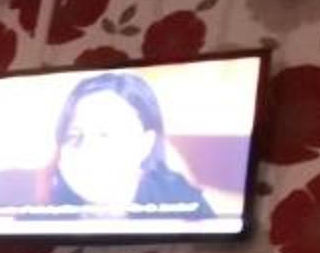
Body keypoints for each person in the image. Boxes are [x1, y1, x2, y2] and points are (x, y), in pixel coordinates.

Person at [40, 71, 214, 219]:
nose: (88, 149)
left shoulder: (180, 203)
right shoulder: (44, 216)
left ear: (145, 145)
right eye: (74, 136)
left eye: (105, 135)